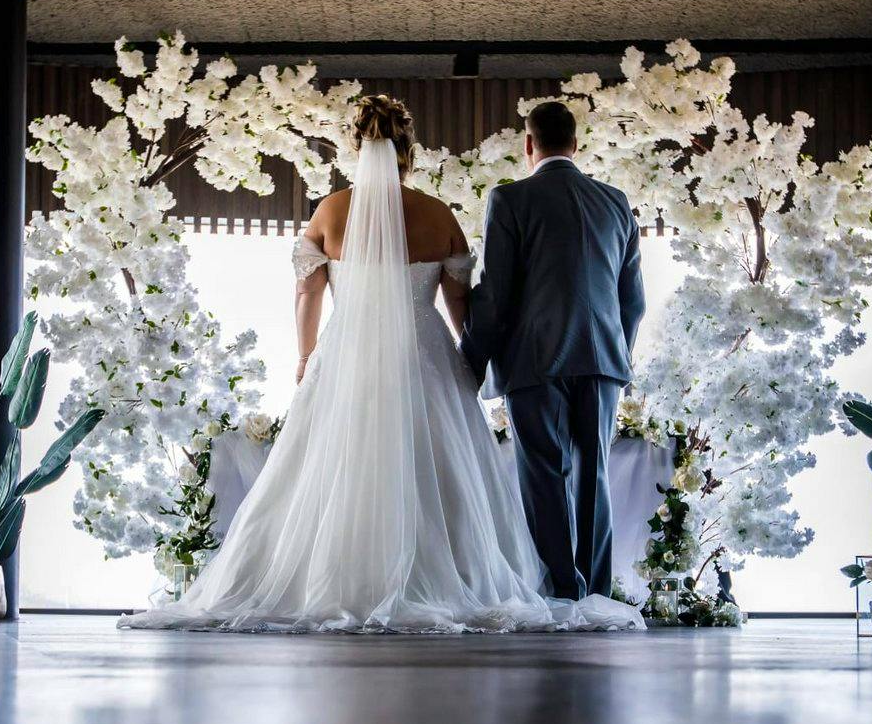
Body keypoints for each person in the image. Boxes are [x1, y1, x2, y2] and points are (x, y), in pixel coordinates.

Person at [121, 96, 642, 634]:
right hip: (451, 357)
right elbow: (464, 300)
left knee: (345, 467)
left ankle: (347, 576)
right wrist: (472, 362)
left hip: (349, 357)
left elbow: (308, 291)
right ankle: (582, 593)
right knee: (538, 472)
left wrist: (305, 357)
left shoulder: (330, 212)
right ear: (408, 149)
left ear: (358, 144)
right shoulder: (441, 215)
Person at [461, 101, 646, 600]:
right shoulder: (615, 202)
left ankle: (561, 594)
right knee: (595, 476)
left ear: (528, 145)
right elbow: (634, 301)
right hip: (604, 362)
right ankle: (597, 598)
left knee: (545, 475)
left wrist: (470, 364)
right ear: (576, 144)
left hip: (535, 361)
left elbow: (494, 293)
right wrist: (616, 359)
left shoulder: (510, 199)